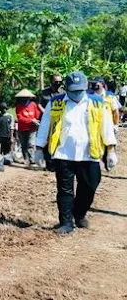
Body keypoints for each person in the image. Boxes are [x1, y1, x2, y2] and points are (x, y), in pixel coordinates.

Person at [36, 71, 118, 234]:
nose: (76, 94)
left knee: (90, 186)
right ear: (66, 89)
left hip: (89, 154)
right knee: (65, 190)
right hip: (63, 153)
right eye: (73, 91)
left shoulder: (97, 102)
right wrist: (39, 148)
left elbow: (106, 127)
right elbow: (45, 125)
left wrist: (110, 151)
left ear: (85, 87)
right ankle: (66, 223)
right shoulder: (56, 102)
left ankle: (79, 214)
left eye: (79, 90)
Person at [15, 89, 41, 166]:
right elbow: (20, 118)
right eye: (23, 97)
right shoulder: (18, 106)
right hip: (22, 128)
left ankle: (32, 160)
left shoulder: (33, 105)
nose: (24, 99)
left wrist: (36, 120)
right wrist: (31, 120)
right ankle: (26, 159)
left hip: (32, 129)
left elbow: (37, 114)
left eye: (26, 97)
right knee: (24, 144)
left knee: (31, 144)